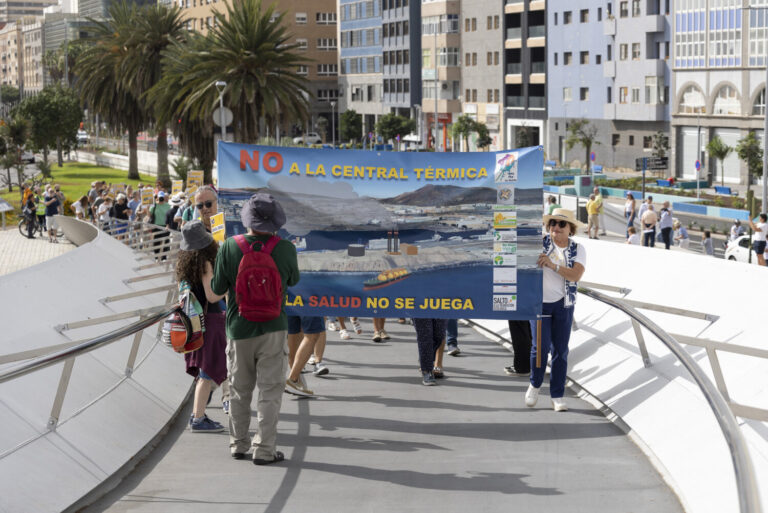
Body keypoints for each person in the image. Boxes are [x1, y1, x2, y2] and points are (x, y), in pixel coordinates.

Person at [210, 193, 299, 464]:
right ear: (274, 222)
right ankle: (264, 449)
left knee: (239, 389)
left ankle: (238, 444)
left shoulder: (228, 247)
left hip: (239, 328)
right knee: (270, 392)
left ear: (247, 219)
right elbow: (293, 280)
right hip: (273, 328)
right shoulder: (285, 248)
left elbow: (217, 289)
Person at [526, 208, 586, 412]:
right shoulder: (539, 243)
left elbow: (576, 275)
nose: (556, 228)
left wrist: (553, 266)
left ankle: (557, 395)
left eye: (561, 224)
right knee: (540, 349)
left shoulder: (579, 249)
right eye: (553, 223)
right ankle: (535, 384)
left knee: (560, 350)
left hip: (564, 304)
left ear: (571, 229)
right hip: (540, 303)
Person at [177, 221, 228, 433]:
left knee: (204, 372)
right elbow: (211, 295)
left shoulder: (185, 265)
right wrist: (228, 291)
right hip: (212, 321)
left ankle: (199, 415)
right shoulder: (207, 263)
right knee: (207, 374)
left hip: (195, 324)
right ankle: (198, 418)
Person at [285, 316, 325, 396]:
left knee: (293, 333)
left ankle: (297, 383)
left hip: (291, 304)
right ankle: (293, 379)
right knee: (312, 335)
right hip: (310, 305)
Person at [412, 318, 447, 385]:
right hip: (420, 309)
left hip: (440, 309)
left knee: (439, 335)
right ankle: (427, 371)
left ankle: (427, 359)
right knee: (425, 336)